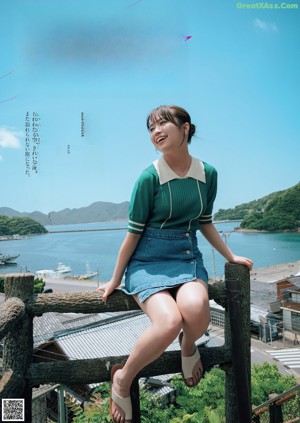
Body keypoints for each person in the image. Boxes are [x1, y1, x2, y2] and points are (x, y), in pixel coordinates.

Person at [99, 105, 253, 423]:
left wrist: (231, 256)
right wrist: (116, 279)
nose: (155, 131)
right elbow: (132, 235)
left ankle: (188, 347)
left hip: (186, 256)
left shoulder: (207, 174)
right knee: (168, 322)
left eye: (163, 123)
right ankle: (123, 379)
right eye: (150, 127)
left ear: (185, 128)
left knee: (197, 312)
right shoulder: (148, 177)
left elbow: (206, 221)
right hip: (146, 261)